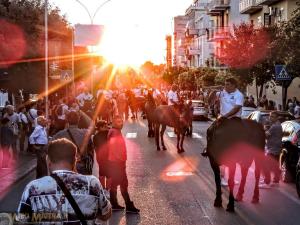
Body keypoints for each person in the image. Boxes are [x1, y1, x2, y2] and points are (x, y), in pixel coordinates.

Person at [17, 138, 112, 224]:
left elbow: (22, 220)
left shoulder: (33, 187)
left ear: (48, 160)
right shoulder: (92, 183)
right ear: (74, 161)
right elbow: (106, 214)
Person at [108, 115, 140, 213]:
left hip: (115, 162)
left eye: (121, 122)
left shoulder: (114, 131)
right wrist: (121, 161)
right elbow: (113, 148)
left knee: (115, 184)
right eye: (118, 122)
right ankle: (128, 205)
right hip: (117, 163)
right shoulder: (114, 132)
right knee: (123, 184)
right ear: (113, 122)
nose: (120, 123)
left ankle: (114, 204)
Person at [218, 78, 244, 186]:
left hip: (234, 120)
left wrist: (225, 116)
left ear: (233, 85)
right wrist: (213, 94)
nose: (225, 86)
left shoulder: (239, 95)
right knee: (211, 131)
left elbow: (237, 108)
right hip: (222, 119)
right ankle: (222, 177)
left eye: (228, 85)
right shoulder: (222, 92)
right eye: (225, 84)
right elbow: (211, 100)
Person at [259, 111, 283, 188]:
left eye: (272, 116)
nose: (270, 118)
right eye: (270, 116)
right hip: (276, 148)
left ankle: (267, 182)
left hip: (273, 149)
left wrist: (264, 129)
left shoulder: (275, 126)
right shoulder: (278, 125)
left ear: (277, 117)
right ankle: (276, 181)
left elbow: (266, 135)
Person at [93, 121, 110, 194]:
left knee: (103, 173)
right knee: (107, 173)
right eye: (104, 125)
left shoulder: (96, 136)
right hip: (107, 156)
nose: (106, 126)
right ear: (100, 127)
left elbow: (96, 148)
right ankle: (107, 189)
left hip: (102, 157)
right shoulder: (109, 133)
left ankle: (104, 189)